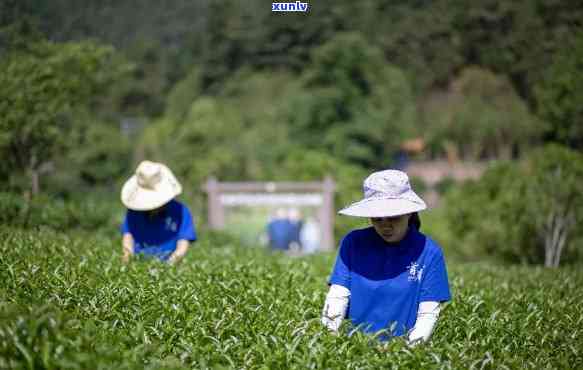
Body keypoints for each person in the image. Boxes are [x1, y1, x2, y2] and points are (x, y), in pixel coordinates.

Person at [321, 169, 451, 345]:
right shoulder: (353, 243)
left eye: (393, 217)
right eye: (377, 218)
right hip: (356, 350)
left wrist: (407, 354)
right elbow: (338, 295)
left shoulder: (428, 252)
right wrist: (329, 341)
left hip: (405, 350)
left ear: (409, 213)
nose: (385, 225)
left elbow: (428, 314)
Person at [120, 160, 197, 265]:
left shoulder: (181, 211)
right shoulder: (133, 212)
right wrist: (126, 265)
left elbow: (182, 246)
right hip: (138, 265)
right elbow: (128, 239)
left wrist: (167, 268)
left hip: (170, 266)